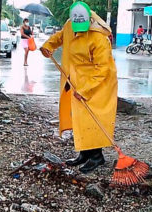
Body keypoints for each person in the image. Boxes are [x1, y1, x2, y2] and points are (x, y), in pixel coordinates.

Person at [40, 1, 118, 174]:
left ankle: (97, 156)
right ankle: (84, 153)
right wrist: (48, 46)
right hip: (75, 79)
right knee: (78, 118)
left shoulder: (98, 37)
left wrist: (85, 89)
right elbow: (60, 37)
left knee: (93, 119)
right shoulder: (70, 25)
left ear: (90, 20)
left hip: (98, 84)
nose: (78, 30)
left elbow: (103, 69)